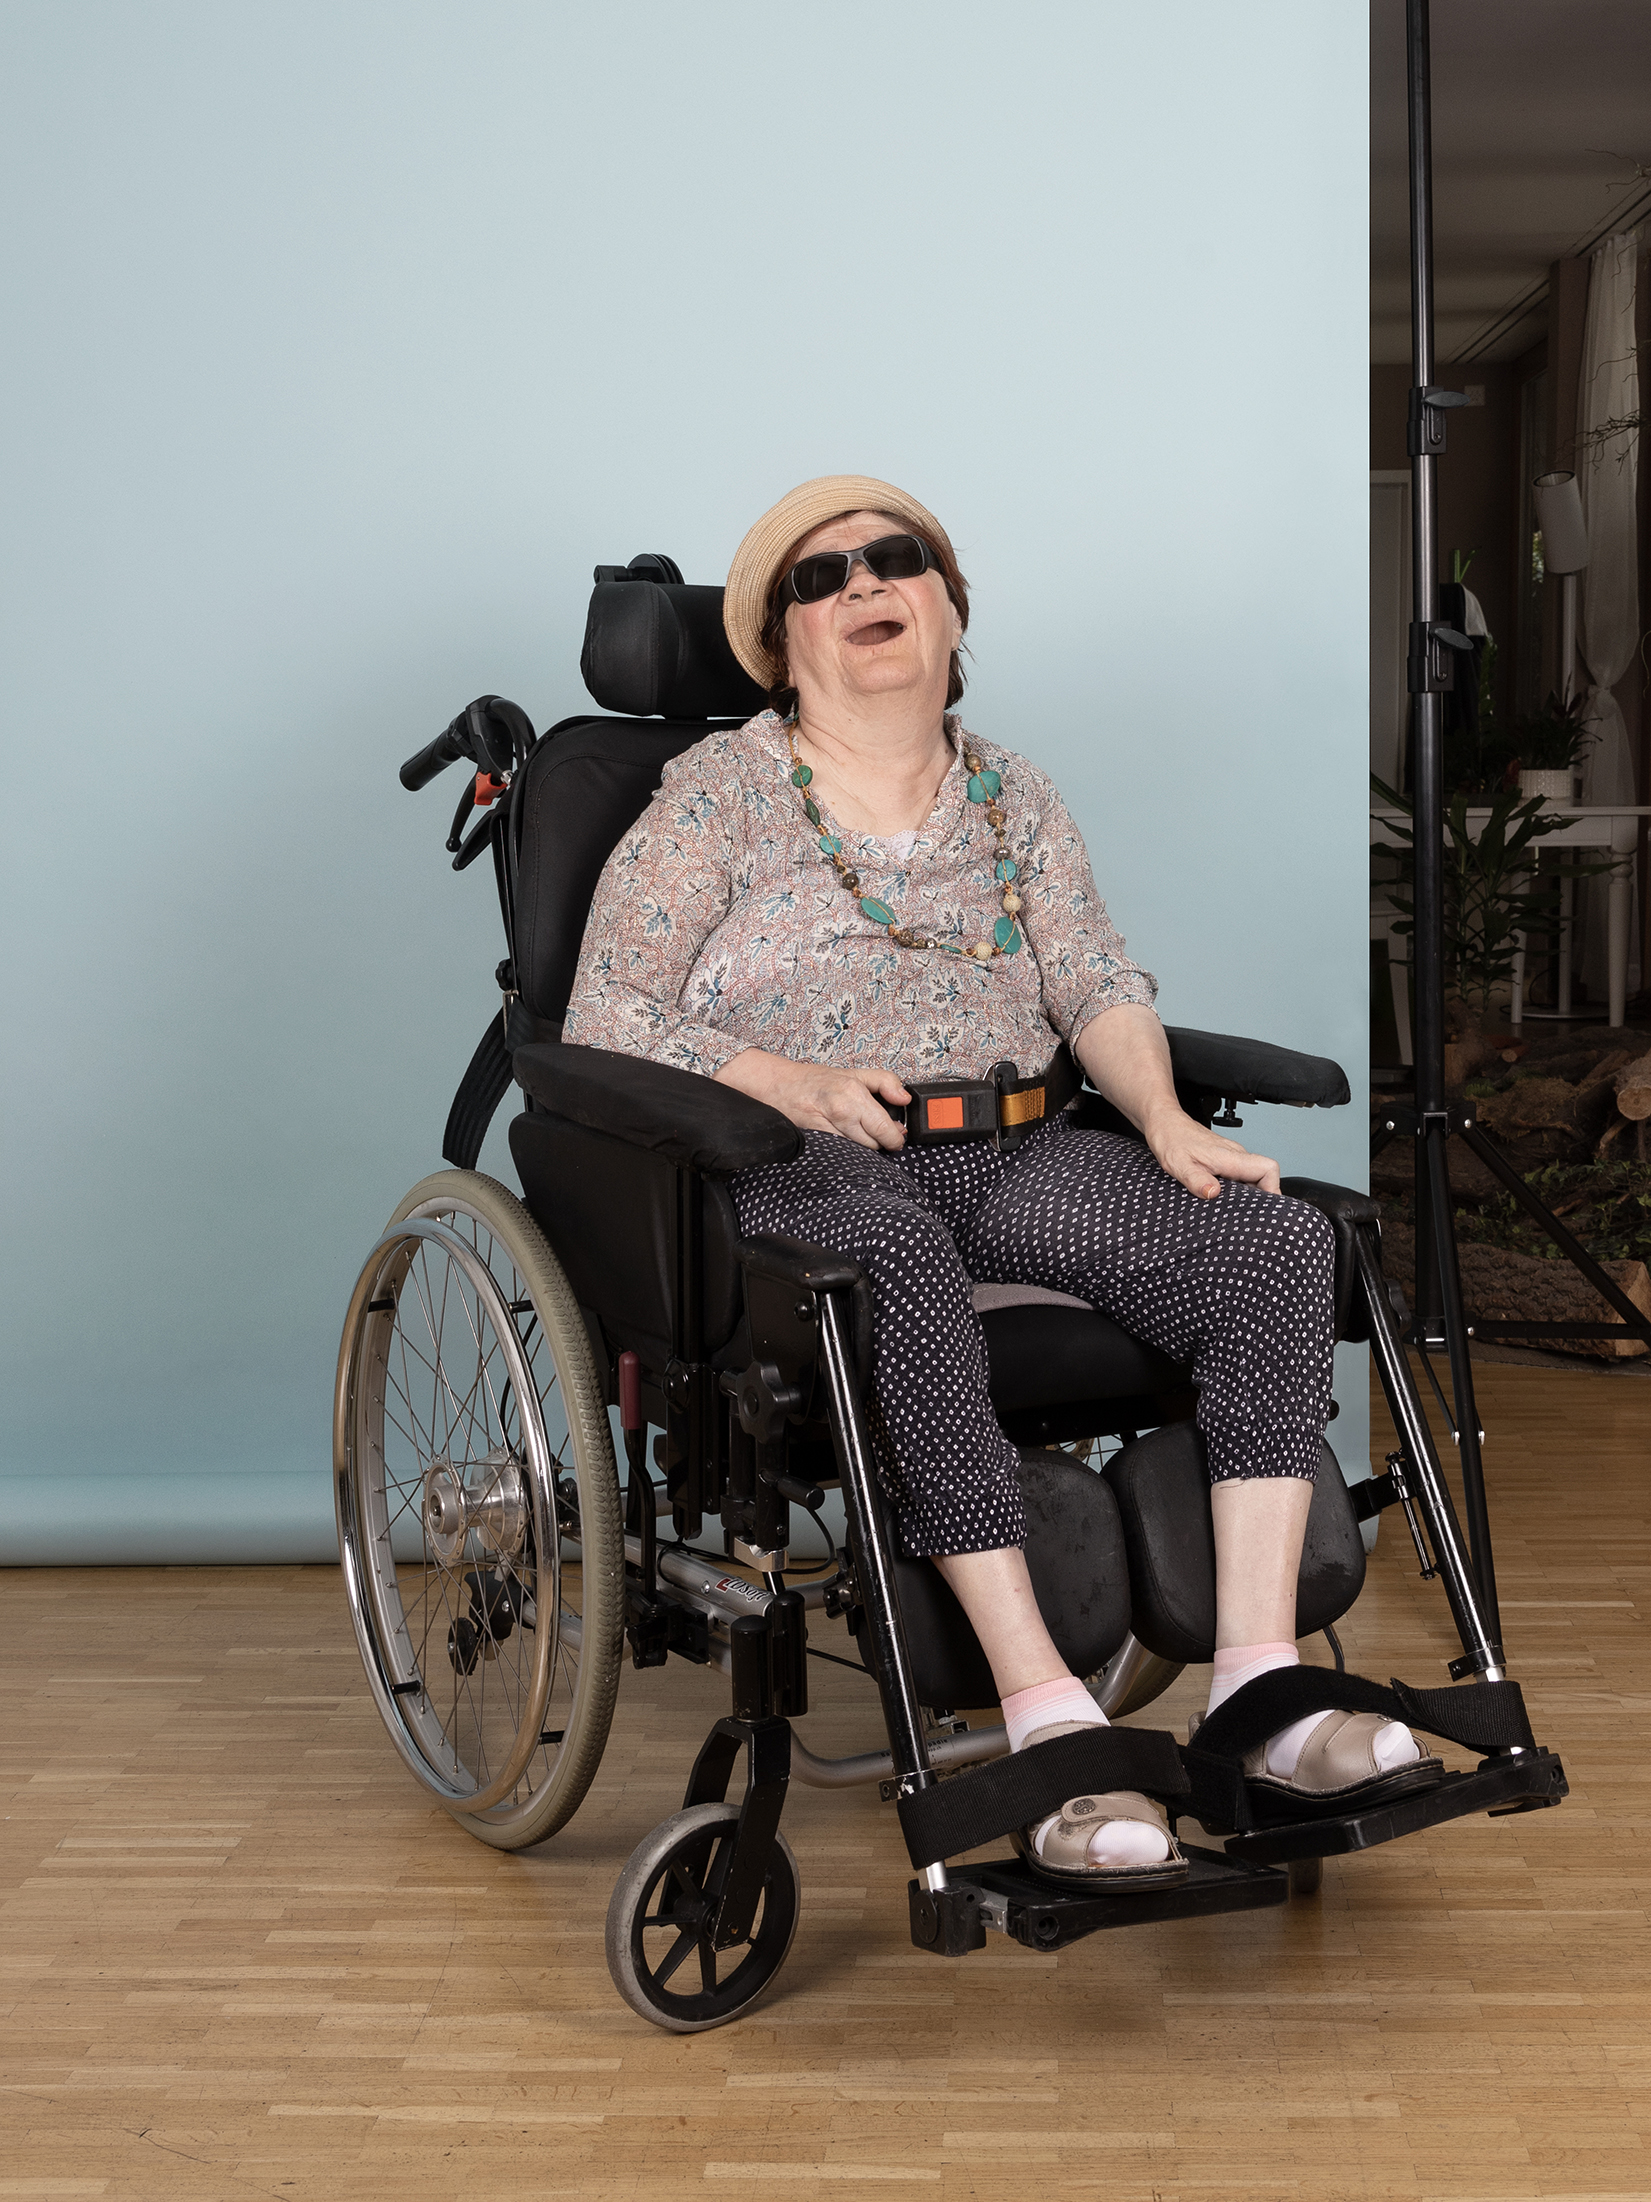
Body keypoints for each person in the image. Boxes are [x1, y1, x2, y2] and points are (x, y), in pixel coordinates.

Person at [563, 474, 1434, 1886]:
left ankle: (1259, 1691)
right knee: (896, 1269)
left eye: (894, 560)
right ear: (783, 644)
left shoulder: (1012, 790)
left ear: (950, 607)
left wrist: (1159, 1118)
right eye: (820, 577)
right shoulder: (716, 794)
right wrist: (785, 1082)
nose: (863, 586)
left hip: (1022, 1147)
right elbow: (605, 1010)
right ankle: (1041, 1714)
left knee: (1265, 1242)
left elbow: (1093, 977)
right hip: (805, 1163)